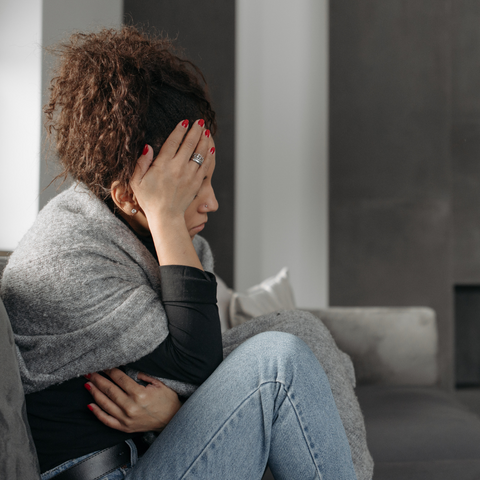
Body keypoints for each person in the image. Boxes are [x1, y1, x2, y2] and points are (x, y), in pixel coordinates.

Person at [0, 26, 373, 480]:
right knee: (280, 362)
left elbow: (198, 364)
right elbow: (198, 366)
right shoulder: (65, 254)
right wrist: (165, 217)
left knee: (300, 332)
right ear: (128, 195)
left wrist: (171, 412)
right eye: (192, 186)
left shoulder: (172, 242)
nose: (212, 202)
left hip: (152, 457)